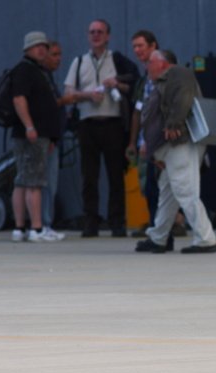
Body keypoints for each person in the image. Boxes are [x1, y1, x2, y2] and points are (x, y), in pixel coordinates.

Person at [134, 50, 216, 254]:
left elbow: (183, 95)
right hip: (171, 147)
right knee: (168, 192)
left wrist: (174, 123)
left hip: (180, 143)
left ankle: (206, 239)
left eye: (150, 62)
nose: (147, 66)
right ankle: (158, 237)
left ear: (163, 63)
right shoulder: (162, 80)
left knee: (185, 190)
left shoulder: (178, 73)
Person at [63, 19, 139, 238]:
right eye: (92, 32)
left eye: (100, 32)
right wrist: (88, 95)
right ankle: (91, 221)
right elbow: (68, 95)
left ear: (108, 36)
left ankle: (117, 222)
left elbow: (133, 85)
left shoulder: (117, 60)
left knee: (116, 175)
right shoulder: (79, 62)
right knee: (89, 177)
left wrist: (117, 84)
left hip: (113, 123)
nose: (95, 35)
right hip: (87, 124)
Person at [9, 31, 62, 242]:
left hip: (37, 134)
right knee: (34, 181)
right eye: (36, 46)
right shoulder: (25, 70)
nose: (41, 49)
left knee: (23, 180)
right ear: (27, 49)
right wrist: (30, 127)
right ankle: (37, 228)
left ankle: (20, 228)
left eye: (44, 46)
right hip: (32, 134)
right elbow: (19, 99)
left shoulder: (37, 70)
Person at [126, 30, 161, 231]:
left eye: (141, 45)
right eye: (135, 47)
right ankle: (158, 224)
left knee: (157, 186)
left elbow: (158, 112)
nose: (137, 50)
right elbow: (138, 112)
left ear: (153, 46)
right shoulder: (145, 78)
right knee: (148, 185)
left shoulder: (162, 74)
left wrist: (148, 140)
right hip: (145, 141)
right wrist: (133, 141)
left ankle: (162, 225)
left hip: (156, 141)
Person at [39, 40, 73, 241]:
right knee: (46, 183)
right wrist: (65, 101)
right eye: (54, 55)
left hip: (53, 137)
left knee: (45, 183)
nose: (58, 59)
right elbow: (48, 106)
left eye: (60, 55)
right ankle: (43, 223)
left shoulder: (48, 77)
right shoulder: (42, 78)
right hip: (48, 139)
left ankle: (42, 223)